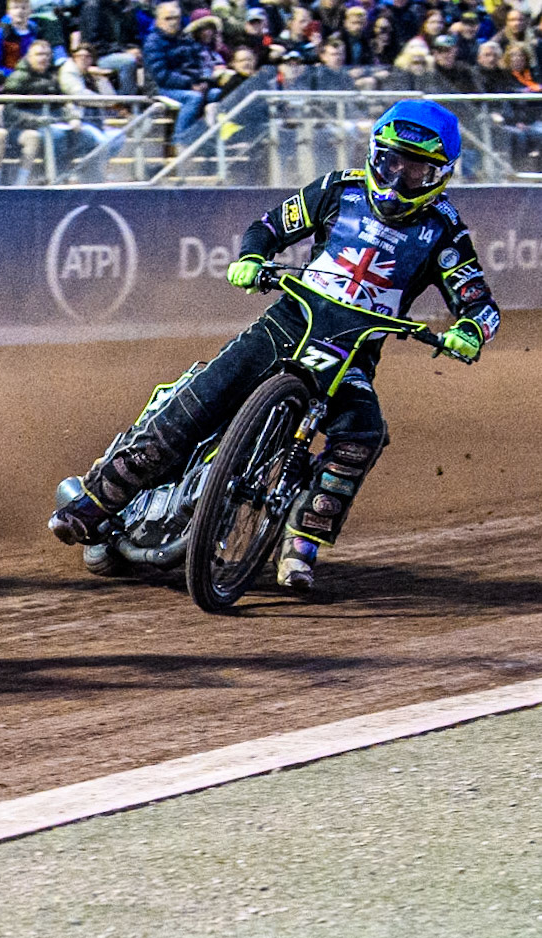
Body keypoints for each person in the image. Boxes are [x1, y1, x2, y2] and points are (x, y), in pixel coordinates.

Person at [48, 100, 498, 594]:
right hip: (287, 322)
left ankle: (302, 543)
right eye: (391, 162)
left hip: (351, 352)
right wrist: (251, 257)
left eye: (416, 171)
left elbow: (479, 302)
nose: (397, 180)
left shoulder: (445, 231)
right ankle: (93, 505)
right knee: (199, 398)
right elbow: (268, 226)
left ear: (442, 176)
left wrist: (471, 330)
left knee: (363, 432)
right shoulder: (336, 188)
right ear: (374, 155)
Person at [144, 1, 210, 143]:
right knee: (194, 98)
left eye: (177, 18)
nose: (173, 22)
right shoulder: (153, 42)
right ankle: (179, 142)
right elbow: (162, 75)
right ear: (157, 21)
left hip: (188, 85)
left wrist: (203, 80)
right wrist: (190, 84)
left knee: (216, 93)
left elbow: (199, 63)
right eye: (168, 18)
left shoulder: (186, 39)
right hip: (161, 88)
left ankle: (211, 140)